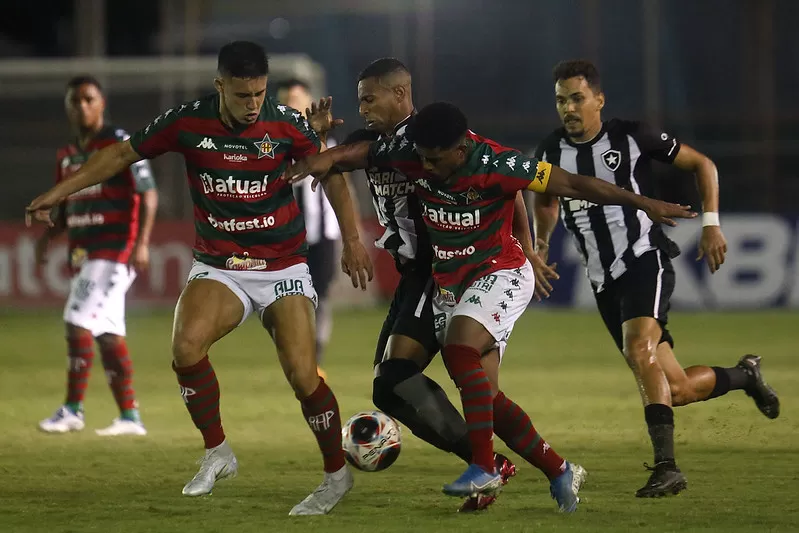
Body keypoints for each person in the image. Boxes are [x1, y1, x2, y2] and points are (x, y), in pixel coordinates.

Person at [26, 41, 373, 516]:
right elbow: (117, 157)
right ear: (219, 86)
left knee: (301, 374)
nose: (253, 104)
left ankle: (336, 475)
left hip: (282, 265)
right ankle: (218, 453)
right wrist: (57, 193)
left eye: (259, 93)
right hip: (221, 264)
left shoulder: (287, 123)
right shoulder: (187, 121)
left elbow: (331, 173)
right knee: (185, 347)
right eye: (242, 94)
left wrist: (352, 239)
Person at [286, 101, 694, 504]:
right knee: (487, 398)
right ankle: (560, 469)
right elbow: (362, 153)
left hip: (500, 271)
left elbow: (572, 184)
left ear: (460, 151)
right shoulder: (412, 153)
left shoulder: (500, 163)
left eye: (434, 160)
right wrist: (319, 152)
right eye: (422, 159)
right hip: (451, 281)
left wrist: (643, 202)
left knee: (460, 348)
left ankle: (484, 468)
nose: (425, 169)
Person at [531, 59, 780, 498]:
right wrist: (543, 242)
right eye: (560, 100)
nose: (568, 108)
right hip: (603, 279)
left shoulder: (631, 135)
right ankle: (745, 375)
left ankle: (667, 467)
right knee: (677, 388)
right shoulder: (549, 151)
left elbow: (703, 164)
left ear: (598, 100)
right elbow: (548, 200)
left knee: (637, 347)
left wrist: (711, 223)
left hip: (645, 259)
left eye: (576, 98)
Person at [36, 75, 158, 437]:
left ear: (102, 104)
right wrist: (47, 238)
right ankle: (129, 417)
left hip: (114, 247)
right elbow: (67, 206)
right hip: (83, 251)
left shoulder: (119, 144)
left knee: (77, 320)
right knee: (107, 332)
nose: (83, 106)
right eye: (76, 101)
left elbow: (148, 193)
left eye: (89, 99)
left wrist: (143, 243)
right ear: (68, 107)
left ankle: (72, 409)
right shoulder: (67, 155)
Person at [276, 78, 342, 379]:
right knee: (292, 298)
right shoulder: (273, 145)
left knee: (322, 296)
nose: (293, 104)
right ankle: (298, 356)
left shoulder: (327, 143)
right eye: (287, 99)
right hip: (288, 234)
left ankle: (314, 358)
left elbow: (338, 182)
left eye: (297, 98)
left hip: (323, 234)